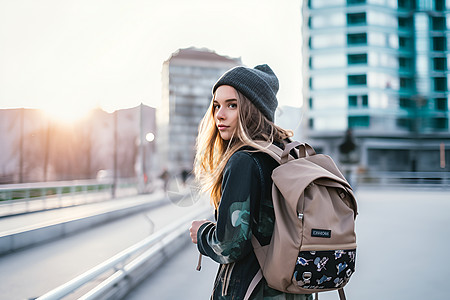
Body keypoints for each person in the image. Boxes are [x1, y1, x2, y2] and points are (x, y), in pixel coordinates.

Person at [189, 64, 313, 300]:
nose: (219, 115)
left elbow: (230, 245)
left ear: (253, 109)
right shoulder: (285, 155)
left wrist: (203, 233)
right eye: (216, 105)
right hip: (292, 290)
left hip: (253, 291)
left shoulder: (244, 161)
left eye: (232, 105)